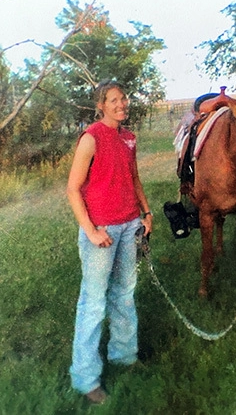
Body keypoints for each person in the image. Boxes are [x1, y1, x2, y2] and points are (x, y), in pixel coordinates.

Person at [67, 80, 153, 404]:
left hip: (130, 224)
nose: (122, 104)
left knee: (125, 294)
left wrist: (146, 212)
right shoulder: (91, 138)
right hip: (102, 231)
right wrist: (90, 231)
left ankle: (124, 357)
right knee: (93, 303)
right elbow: (73, 189)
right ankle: (86, 378)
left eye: (124, 98)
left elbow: (133, 178)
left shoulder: (129, 138)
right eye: (114, 100)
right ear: (101, 105)